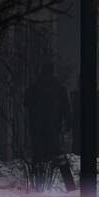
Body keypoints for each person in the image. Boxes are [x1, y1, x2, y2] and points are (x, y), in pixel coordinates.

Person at [25, 62, 74, 190]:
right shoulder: (58, 88)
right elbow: (66, 108)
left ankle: (39, 185)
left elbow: (26, 104)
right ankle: (69, 185)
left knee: (39, 156)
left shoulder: (35, 87)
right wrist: (67, 122)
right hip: (52, 126)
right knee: (58, 154)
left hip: (38, 127)